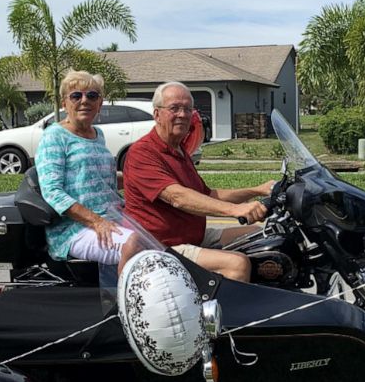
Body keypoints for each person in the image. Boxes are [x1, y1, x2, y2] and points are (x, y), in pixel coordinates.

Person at [123, 81, 274, 282]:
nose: (183, 114)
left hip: (195, 235)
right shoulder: (143, 152)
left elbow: (208, 195)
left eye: (187, 109)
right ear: (157, 114)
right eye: (174, 108)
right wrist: (233, 210)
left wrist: (258, 189)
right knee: (237, 264)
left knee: (260, 235)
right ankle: (225, 313)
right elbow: (178, 197)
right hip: (162, 247)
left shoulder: (179, 151)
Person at [35, 70, 143, 274]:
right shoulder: (54, 136)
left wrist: (141, 183)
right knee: (136, 247)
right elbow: (52, 191)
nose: (85, 101)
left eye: (92, 96)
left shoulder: (98, 134)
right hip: (74, 229)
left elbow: (103, 180)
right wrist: (97, 222)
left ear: (100, 103)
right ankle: (124, 302)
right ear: (64, 103)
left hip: (112, 217)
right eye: (76, 95)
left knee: (161, 236)